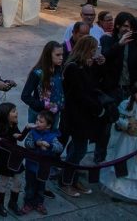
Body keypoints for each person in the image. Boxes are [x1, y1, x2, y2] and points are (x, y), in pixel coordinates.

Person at [60, 36, 104, 198]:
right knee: (79, 149)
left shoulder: (84, 66)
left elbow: (91, 85)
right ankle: (65, 181)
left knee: (77, 148)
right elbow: (80, 93)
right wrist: (97, 108)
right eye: (93, 49)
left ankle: (73, 179)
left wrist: (95, 67)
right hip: (75, 115)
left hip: (84, 115)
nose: (95, 52)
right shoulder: (73, 67)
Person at [21, 110, 64, 215]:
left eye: (40, 121)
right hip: (31, 165)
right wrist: (36, 144)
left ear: (48, 126)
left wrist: (50, 146)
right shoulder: (32, 133)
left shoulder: (52, 137)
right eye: (37, 120)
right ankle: (28, 202)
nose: (37, 123)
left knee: (41, 186)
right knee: (30, 186)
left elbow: (60, 148)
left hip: (44, 167)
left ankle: (39, 202)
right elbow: (27, 143)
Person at [0, 102, 24, 216]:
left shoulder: (13, 125)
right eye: (13, 111)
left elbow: (19, 136)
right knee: (3, 181)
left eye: (16, 110)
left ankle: (13, 203)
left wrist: (27, 129)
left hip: (15, 157)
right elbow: (7, 137)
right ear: (5, 115)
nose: (16, 113)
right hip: (4, 158)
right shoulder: (0, 128)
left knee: (18, 180)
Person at [21, 41, 64, 126]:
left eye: (62, 55)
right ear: (48, 55)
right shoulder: (37, 73)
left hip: (54, 115)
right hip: (38, 116)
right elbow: (25, 96)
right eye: (58, 55)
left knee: (51, 138)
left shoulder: (59, 70)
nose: (61, 58)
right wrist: (43, 105)